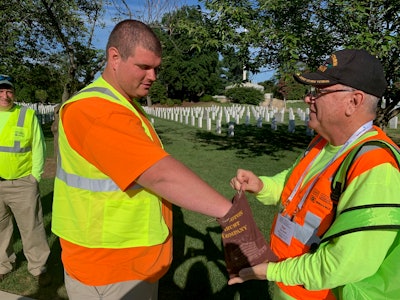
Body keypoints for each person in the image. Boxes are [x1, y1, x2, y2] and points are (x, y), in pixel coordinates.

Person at [51, 19, 266, 300]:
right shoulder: (95, 110)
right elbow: (158, 174)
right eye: (144, 67)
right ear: (114, 57)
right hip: (111, 270)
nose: (153, 76)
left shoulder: (123, 105)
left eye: (156, 68)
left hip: (127, 263)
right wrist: (231, 215)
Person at [229, 49, 400, 299]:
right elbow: (297, 186)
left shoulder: (376, 168)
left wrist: (272, 271)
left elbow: (341, 264)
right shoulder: (324, 142)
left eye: (319, 92)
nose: (309, 99)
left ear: (354, 102)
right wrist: (262, 186)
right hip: (290, 285)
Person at [0, 75, 51, 286]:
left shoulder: (26, 114)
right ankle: (3, 265)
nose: (5, 96)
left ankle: (39, 268)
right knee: (1, 229)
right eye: (1, 91)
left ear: (14, 92)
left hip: (22, 182)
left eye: (8, 91)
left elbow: (39, 147)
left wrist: (34, 177)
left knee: (32, 227)